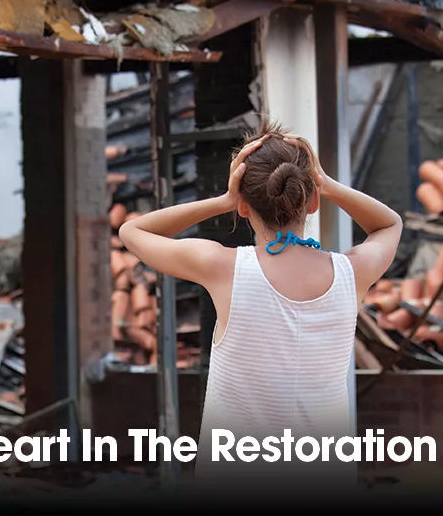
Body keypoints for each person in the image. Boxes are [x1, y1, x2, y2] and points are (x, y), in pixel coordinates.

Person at [119, 119, 402, 498]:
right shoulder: (352, 273)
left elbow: (132, 232)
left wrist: (222, 201)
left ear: (244, 206)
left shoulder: (224, 268)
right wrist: (328, 184)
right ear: (313, 199)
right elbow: (389, 225)